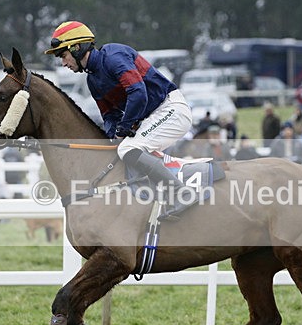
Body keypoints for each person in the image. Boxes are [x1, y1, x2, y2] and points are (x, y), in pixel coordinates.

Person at [45, 20, 197, 220]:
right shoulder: (92, 80)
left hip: (171, 109)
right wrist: (111, 137)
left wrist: (123, 128)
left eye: (63, 56)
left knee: (128, 149)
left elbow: (138, 92)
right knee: (119, 150)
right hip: (152, 117)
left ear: (77, 47)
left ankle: (182, 193)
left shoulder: (114, 56)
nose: (63, 63)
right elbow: (109, 116)